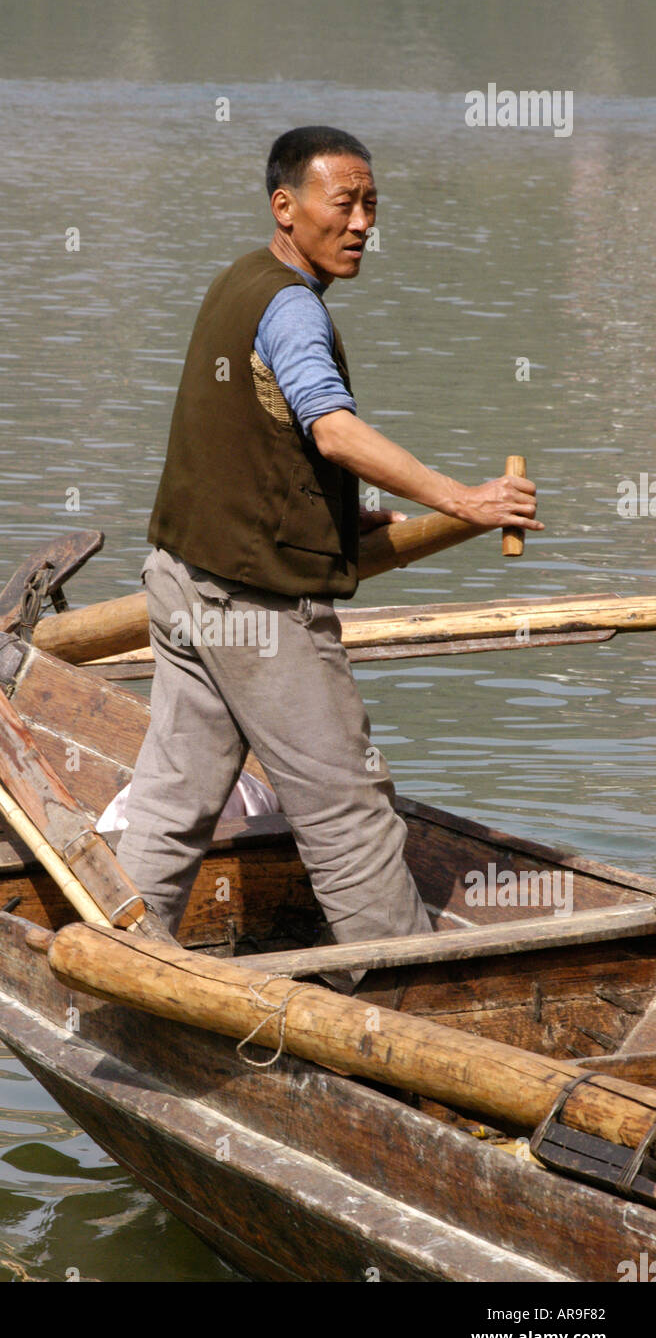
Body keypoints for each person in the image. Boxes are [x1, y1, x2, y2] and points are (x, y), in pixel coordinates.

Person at [115, 126, 542, 964]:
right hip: (256, 610)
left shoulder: (239, 283)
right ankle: (407, 1002)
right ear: (286, 206)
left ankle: (115, 957)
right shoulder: (292, 307)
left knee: (171, 803)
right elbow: (332, 430)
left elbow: (260, 450)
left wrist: (341, 529)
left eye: (370, 206)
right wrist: (464, 498)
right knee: (346, 810)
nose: (359, 224)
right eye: (341, 204)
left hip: (183, 584)